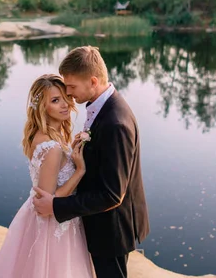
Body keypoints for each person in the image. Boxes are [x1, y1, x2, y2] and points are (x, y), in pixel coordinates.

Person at [33, 46, 150, 278]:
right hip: (103, 223)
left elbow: (112, 195)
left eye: (72, 87)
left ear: (93, 81)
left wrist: (57, 206)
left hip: (111, 228)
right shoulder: (103, 106)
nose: (68, 93)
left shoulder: (116, 123)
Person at [0, 74, 94, 278]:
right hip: (55, 224)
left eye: (65, 97)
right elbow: (49, 202)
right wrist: (79, 171)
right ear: (43, 108)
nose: (64, 105)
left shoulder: (43, 136)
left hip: (40, 217)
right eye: (54, 100)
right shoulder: (52, 148)